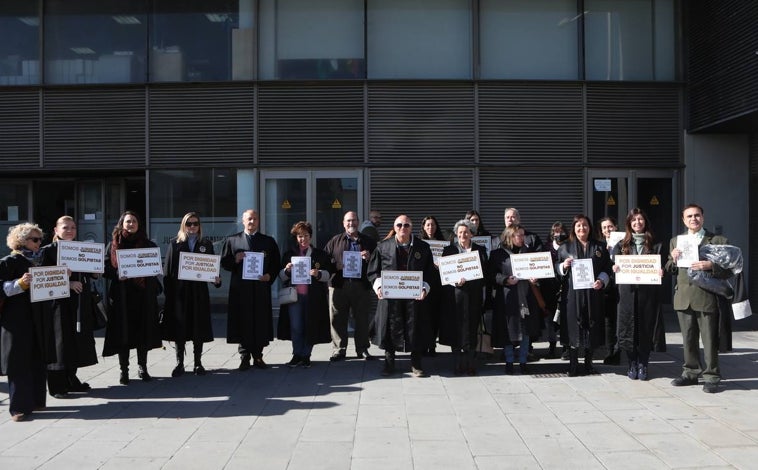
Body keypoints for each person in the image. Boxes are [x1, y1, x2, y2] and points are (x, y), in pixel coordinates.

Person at [666, 204, 729, 393]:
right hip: (684, 296)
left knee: (709, 339)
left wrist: (711, 265)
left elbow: (730, 268)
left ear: (703, 217)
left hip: (707, 296)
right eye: (689, 216)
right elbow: (670, 269)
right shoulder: (676, 241)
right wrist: (673, 258)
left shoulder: (717, 240)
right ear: (683, 220)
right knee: (688, 339)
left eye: (697, 215)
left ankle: (712, 376)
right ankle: (690, 373)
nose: (693, 219)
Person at [367, 215, 435, 377]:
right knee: (390, 328)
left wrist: (424, 288)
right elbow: (373, 271)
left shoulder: (423, 247)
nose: (402, 228)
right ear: (394, 226)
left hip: (415, 297)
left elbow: (429, 273)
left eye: (406, 225)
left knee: (415, 328)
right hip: (391, 297)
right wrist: (378, 287)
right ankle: (389, 364)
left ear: (411, 227)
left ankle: (416, 364)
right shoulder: (383, 247)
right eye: (399, 225)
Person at [0, 223, 56, 421]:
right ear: (21, 241)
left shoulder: (41, 260)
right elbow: (1, 287)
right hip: (16, 318)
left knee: (37, 358)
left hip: (38, 316)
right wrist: (20, 284)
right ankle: (18, 408)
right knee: (18, 361)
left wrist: (63, 279)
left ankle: (37, 401)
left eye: (40, 239)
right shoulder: (9, 261)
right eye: (34, 240)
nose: (39, 243)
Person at [103, 211, 163, 385]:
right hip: (121, 297)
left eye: (134, 221)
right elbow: (105, 269)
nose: (131, 224)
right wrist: (116, 274)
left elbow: (154, 269)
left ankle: (142, 367)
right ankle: (124, 370)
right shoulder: (113, 245)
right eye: (128, 221)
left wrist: (154, 268)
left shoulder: (148, 245)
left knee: (142, 333)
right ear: (122, 224)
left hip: (143, 296)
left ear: (139, 224)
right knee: (123, 334)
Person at [41, 216, 98, 397]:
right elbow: (43, 279)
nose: (70, 230)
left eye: (73, 227)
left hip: (78, 302)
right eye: (65, 227)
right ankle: (57, 385)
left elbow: (91, 273)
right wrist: (68, 283)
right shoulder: (47, 251)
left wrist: (96, 269)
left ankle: (71, 378)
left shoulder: (80, 249)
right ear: (56, 230)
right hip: (56, 304)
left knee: (75, 341)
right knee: (59, 343)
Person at [163, 212, 221, 377]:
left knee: (198, 328)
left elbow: (211, 270)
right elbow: (168, 272)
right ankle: (179, 363)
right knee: (179, 329)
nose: (192, 227)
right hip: (180, 295)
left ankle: (197, 363)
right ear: (184, 225)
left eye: (195, 224)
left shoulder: (206, 244)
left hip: (198, 294)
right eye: (189, 224)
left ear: (199, 226)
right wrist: (170, 296)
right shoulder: (175, 244)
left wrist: (216, 280)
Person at [221, 209, 281, 371]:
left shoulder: (268, 241)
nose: (252, 222)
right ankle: (244, 356)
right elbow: (224, 263)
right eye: (249, 219)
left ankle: (258, 356)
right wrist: (235, 259)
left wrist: (269, 276)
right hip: (241, 290)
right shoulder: (233, 240)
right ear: (243, 221)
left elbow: (276, 263)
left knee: (260, 321)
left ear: (259, 221)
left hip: (260, 288)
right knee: (243, 321)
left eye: (254, 219)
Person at [555, 215, 612, 377]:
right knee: (573, 327)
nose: (582, 228)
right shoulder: (565, 247)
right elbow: (555, 268)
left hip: (593, 293)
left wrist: (602, 280)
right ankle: (573, 363)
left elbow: (607, 268)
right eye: (578, 226)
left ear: (590, 227)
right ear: (574, 228)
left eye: (585, 225)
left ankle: (588, 363)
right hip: (572, 294)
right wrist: (563, 266)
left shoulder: (599, 247)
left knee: (592, 326)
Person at [612, 208, 663, 381]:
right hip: (627, 294)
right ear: (629, 224)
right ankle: (632, 363)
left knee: (645, 329)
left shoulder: (656, 244)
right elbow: (612, 264)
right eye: (634, 221)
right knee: (627, 329)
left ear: (645, 222)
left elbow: (664, 265)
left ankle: (643, 364)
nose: (637, 223)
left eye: (640, 220)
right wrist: (614, 268)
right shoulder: (621, 245)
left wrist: (661, 271)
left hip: (648, 294)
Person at [277, 221, 334, 368]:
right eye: (300, 236)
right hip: (294, 297)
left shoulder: (319, 254)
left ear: (311, 236)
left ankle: (306, 355)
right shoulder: (289, 254)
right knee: (296, 327)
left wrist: (318, 273)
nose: (303, 239)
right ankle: (297, 354)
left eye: (306, 236)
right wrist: (287, 270)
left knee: (310, 326)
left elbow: (329, 274)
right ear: (296, 237)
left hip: (313, 298)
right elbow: (281, 276)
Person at [323, 211, 377, 362]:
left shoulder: (368, 241)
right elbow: (326, 261)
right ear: (343, 223)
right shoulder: (335, 241)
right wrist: (340, 265)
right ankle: (339, 349)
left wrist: (370, 257)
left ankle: (362, 348)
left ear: (358, 222)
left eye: (353, 220)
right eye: (348, 221)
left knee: (362, 318)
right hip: (339, 285)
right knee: (337, 318)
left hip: (361, 285)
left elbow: (378, 261)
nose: (351, 223)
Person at [490, 225, 543, 374]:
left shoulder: (529, 252)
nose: (522, 238)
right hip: (508, 299)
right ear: (510, 237)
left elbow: (539, 271)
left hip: (526, 297)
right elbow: (492, 275)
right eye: (518, 235)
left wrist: (536, 279)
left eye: (523, 235)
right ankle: (509, 361)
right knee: (508, 331)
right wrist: (506, 280)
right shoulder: (498, 254)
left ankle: (523, 361)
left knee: (526, 331)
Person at [439, 219, 488, 375]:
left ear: (471, 234)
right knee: (456, 328)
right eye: (460, 232)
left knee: (472, 327)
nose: (463, 235)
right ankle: (458, 362)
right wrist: (455, 282)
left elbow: (485, 273)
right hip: (455, 296)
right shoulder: (449, 250)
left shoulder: (480, 250)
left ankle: (471, 362)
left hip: (474, 295)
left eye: (466, 232)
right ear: (456, 234)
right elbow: (445, 275)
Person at [418, 215, 446, 356]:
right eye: (428, 225)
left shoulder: (443, 243)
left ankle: (432, 345)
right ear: (423, 227)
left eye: (433, 225)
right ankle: (424, 343)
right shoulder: (418, 243)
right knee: (424, 315)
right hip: (423, 282)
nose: (430, 227)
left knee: (435, 314)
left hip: (439, 283)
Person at [598, 216, 621, 366]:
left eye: (610, 226)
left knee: (619, 321)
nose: (608, 230)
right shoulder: (599, 246)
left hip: (621, 287)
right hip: (606, 289)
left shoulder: (624, 244)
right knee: (608, 322)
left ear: (615, 227)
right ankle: (609, 351)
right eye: (604, 228)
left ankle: (618, 353)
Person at [542, 221, 567, 359]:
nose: (558, 234)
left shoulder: (569, 247)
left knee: (564, 318)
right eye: (556, 232)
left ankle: (565, 347)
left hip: (565, 288)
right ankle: (552, 346)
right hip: (549, 289)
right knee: (551, 319)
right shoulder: (545, 248)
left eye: (561, 231)